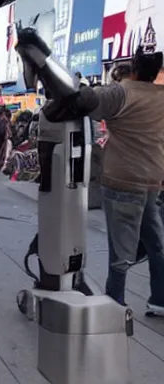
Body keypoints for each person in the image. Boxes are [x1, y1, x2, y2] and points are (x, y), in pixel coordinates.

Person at [85, 46, 164, 313]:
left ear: (134, 67)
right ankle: (160, 299)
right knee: (156, 244)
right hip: (152, 180)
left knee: (120, 251)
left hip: (122, 181)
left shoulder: (120, 93)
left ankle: (114, 304)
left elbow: (87, 101)